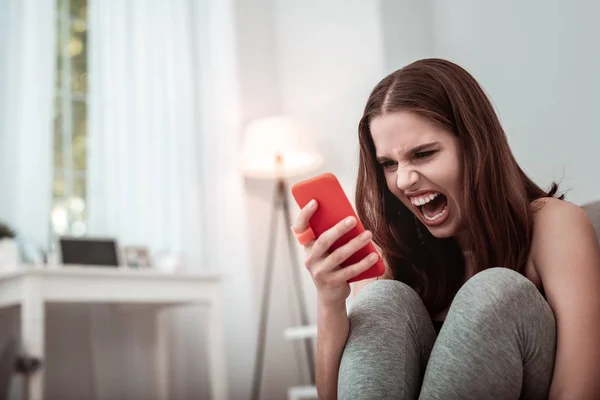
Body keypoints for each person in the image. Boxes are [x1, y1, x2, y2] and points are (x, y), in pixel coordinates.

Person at [291, 58, 600, 399]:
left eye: (423, 154)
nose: (404, 180)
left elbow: (578, 391)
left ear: (475, 145)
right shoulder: (393, 246)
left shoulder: (554, 225)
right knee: (382, 300)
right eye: (389, 164)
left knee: (494, 290)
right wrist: (330, 301)